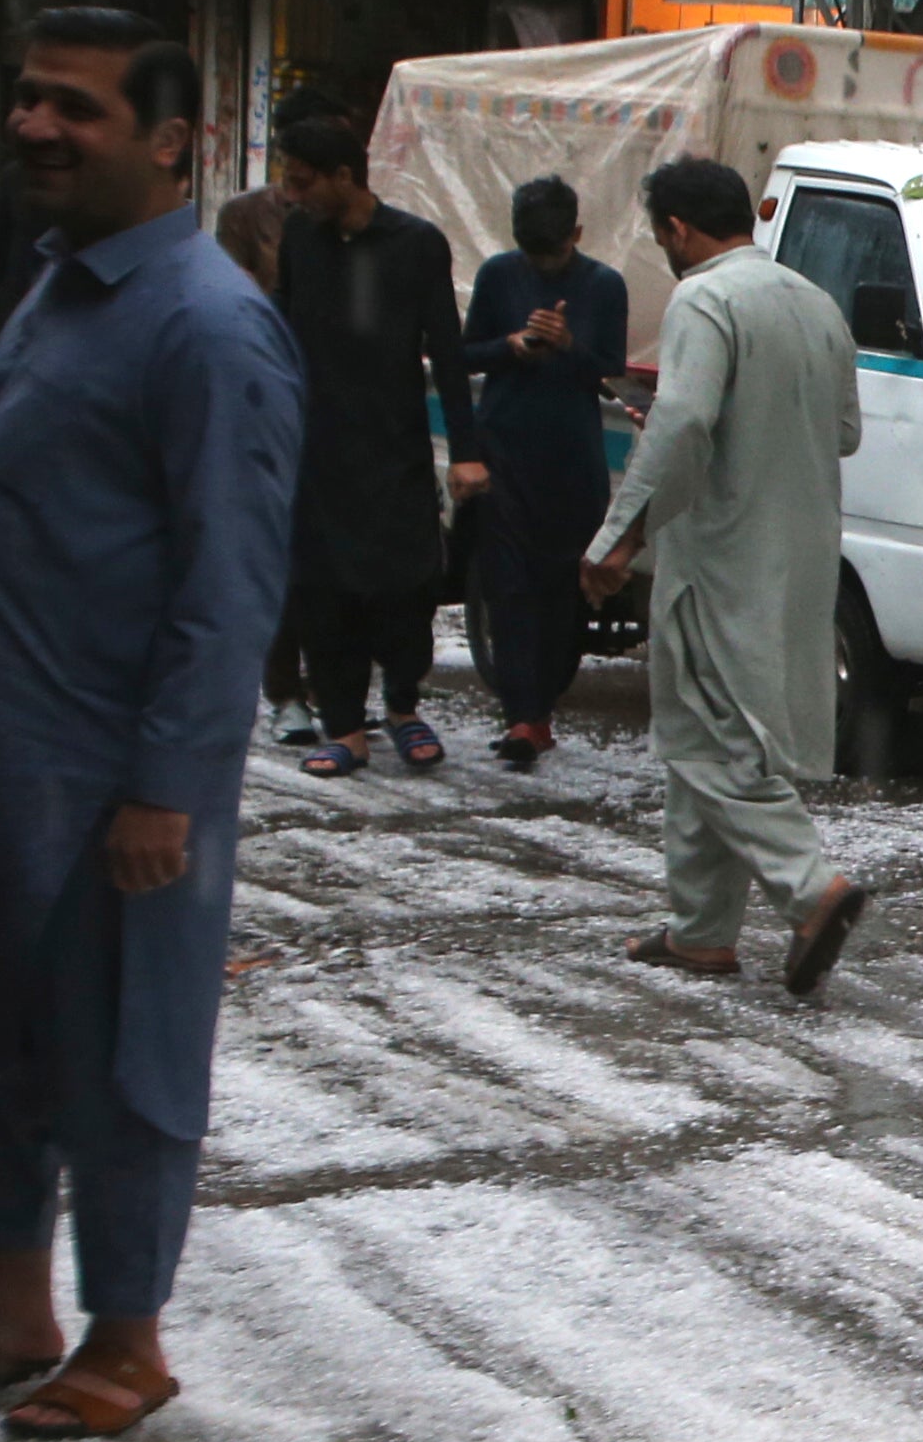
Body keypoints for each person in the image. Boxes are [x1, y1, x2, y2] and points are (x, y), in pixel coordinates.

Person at [0, 9, 302, 1441]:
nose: (36, 130)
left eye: (75, 111)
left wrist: (168, 785)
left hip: (108, 773)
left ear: (170, 143)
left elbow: (229, 583)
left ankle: (127, 1337)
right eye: (28, 102)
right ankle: (7, 1306)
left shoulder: (211, 326)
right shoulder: (55, 280)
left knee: (123, 1054)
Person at [582, 157, 873, 994]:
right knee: (712, 731)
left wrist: (617, 535)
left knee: (705, 738)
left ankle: (810, 887)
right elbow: (845, 430)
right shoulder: (814, 301)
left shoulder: (705, 297)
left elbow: (680, 421)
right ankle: (702, 928)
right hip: (801, 553)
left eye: (662, 235)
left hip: (719, 552)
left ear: (678, 229)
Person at [271, 108, 484, 776]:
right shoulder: (300, 241)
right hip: (315, 447)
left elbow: (446, 350)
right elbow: (278, 333)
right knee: (322, 590)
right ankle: (344, 727)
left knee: (406, 584)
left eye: (304, 182)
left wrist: (468, 449)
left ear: (345, 176)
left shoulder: (416, 244)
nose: (291, 194)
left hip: (393, 446)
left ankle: (401, 703)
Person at [457, 173, 630, 767]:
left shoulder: (604, 285)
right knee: (506, 587)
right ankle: (521, 717)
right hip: (504, 450)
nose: (541, 264)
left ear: (577, 234)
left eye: (552, 252)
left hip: (571, 460)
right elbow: (463, 353)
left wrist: (566, 346)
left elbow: (608, 367)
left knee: (562, 589)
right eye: (533, 253)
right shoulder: (499, 275)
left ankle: (541, 708)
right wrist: (510, 345)